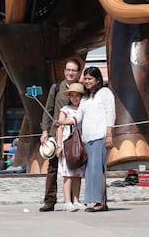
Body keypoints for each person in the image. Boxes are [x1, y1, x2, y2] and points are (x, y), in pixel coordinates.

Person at [63, 66, 115, 212]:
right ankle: (95, 201)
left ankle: (101, 203)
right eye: (85, 79)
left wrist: (109, 135)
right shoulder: (85, 98)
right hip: (88, 139)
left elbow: (111, 114)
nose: (87, 81)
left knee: (99, 169)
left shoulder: (105, 93)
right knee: (91, 171)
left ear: (97, 79)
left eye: (89, 79)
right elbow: (79, 115)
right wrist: (65, 121)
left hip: (101, 136)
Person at [39, 57, 82, 212]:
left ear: (78, 73)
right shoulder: (56, 88)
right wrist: (44, 130)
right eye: (68, 70)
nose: (70, 73)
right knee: (52, 169)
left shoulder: (82, 89)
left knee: (74, 167)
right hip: (56, 134)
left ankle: (71, 201)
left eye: (74, 70)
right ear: (64, 71)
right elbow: (47, 109)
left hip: (75, 135)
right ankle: (49, 201)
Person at [56, 82, 86, 212]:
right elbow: (60, 128)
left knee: (77, 174)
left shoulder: (83, 109)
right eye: (72, 95)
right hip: (67, 144)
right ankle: (67, 201)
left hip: (80, 144)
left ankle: (76, 199)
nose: (75, 98)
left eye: (77, 95)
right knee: (67, 174)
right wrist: (59, 145)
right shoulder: (65, 110)